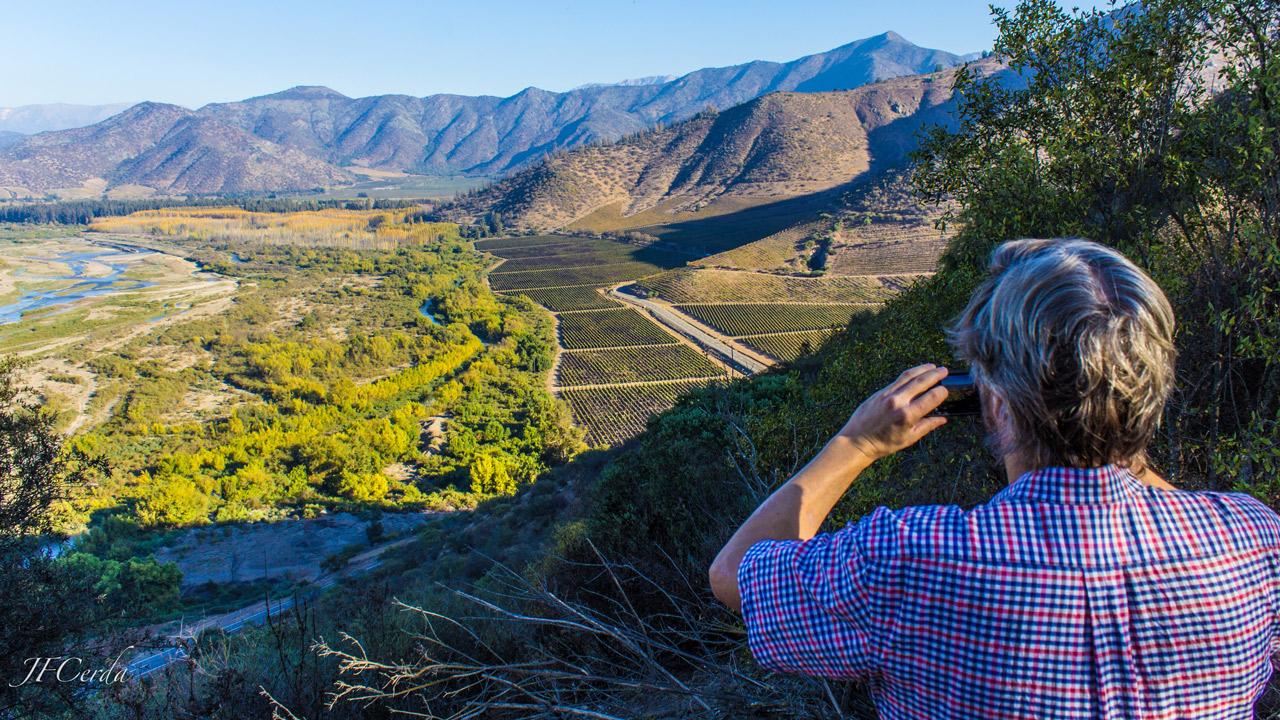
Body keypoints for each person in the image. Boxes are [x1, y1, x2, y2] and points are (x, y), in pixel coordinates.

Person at [709, 238, 1280, 718]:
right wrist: (1117, 436)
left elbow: (734, 575)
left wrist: (856, 444)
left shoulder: (907, 562)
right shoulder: (1255, 544)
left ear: (998, 404)